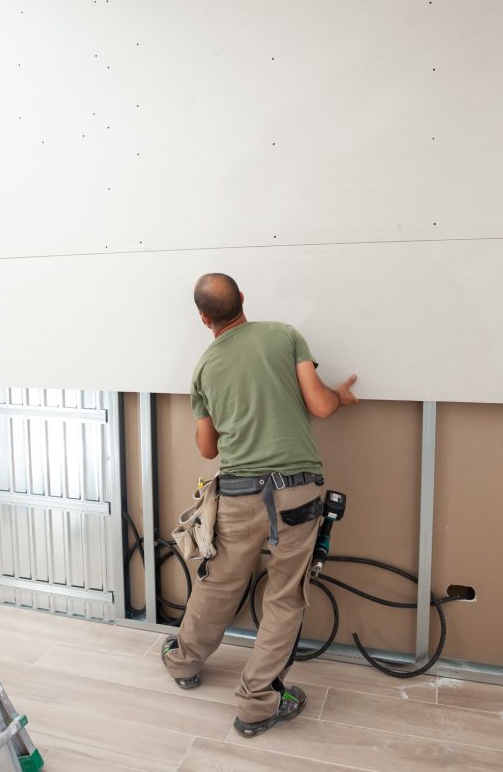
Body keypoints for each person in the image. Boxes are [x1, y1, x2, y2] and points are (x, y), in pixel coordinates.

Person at [161, 272, 358, 738]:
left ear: (204, 318)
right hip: (296, 494)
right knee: (285, 597)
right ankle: (256, 705)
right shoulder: (284, 335)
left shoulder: (205, 367)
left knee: (218, 584)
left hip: (238, 495)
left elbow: (207, 449)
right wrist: (342, 397)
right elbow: (322, 406)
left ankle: (183, 661)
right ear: (243, 300)